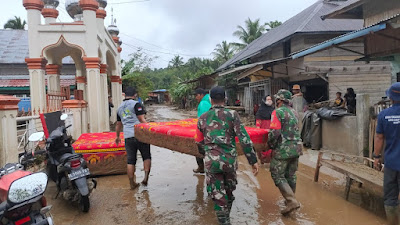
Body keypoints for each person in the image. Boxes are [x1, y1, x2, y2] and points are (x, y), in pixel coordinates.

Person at [196, 86, 259, 225]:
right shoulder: (233, 115)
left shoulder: (202, 118)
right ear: (225, 99)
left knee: (218, 196)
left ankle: (224, 221)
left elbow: (199, 142)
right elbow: (244, 139)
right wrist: (253, 160)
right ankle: (226, 219)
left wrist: (206, 154)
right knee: (229, 192)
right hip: (229, 162)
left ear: (211, 100)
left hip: (212, 163)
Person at [268, 89, 302, 215]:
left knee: (277, 174)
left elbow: (275, 132)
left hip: (283, 148)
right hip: (297, 148)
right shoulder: (294, 112)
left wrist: (270, 145)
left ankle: (291, 201)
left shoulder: (277, 112)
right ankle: (290, 202)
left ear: (280, 100)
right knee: (291, 175)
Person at [373, 82, 400, 225]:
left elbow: (379, 137)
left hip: (390, 163)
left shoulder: (384, 115)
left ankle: (393, 222)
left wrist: (376, 157)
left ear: (391, 98)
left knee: (390, 197)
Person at [115, 87, 151, 189]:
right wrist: (151, 129)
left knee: (130, 160)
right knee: (146, 156)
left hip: (128, 136)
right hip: (140, 135)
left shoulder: (120, 108)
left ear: (124, 95)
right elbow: (141, 119)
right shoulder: (136, 104)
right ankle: (145, 179)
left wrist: (117, 136)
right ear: (135, 95)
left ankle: (132, 183)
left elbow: (118, 125)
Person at [193, 88, 212, 174]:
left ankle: (201, 168)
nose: (196, 98)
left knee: (198, 149)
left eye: (196, 95)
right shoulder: (209, 99)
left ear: (201, 95)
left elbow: (202, 120)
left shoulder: (203, 103)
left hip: (207, 131)